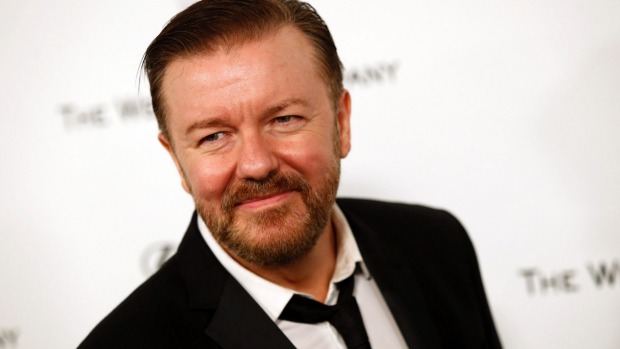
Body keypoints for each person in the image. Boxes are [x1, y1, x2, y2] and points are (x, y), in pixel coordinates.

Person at [78, 0, 502, 348]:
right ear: (177, 162)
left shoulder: (437, 244)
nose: (257, 164)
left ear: (341, 123)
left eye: (285, 119)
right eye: (213, 137)